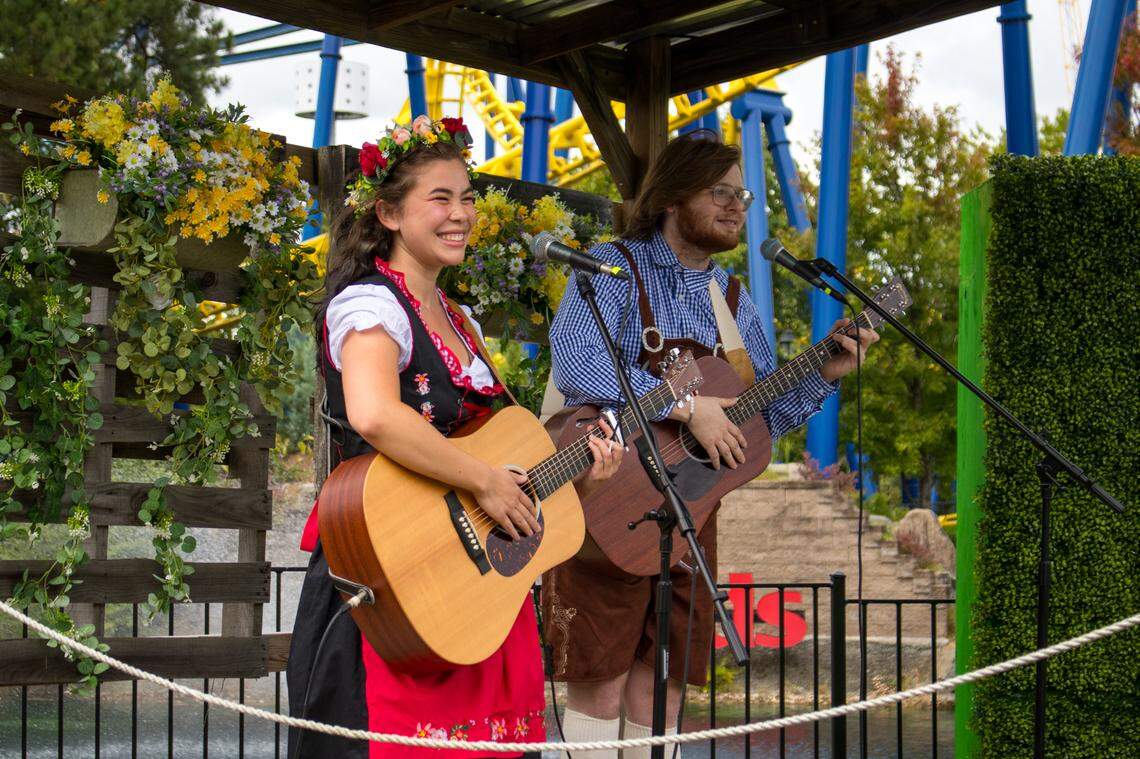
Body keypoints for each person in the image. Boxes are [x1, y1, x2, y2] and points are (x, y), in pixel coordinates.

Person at [286, 115, 623, 759]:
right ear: (387, 213)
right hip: (392, 575)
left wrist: (576, 472)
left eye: (466, 197)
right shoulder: (370, 306)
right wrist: (485, 481)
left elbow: (494, 454)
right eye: (439, 197)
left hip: (475, 597)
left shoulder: (460, 321)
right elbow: (375, 414)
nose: (460, 212)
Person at [543, 131, 879, 758]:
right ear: (672, 196)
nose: (737, 206)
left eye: (743, 194)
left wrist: (825, 373)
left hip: (693, 510)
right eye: (720, 192)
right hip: (608, 497)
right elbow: (579, 363)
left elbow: (758, 420)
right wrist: (687, 406)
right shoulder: (614, 269)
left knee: (666, 683)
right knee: (602, 680)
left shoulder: (732, 299)